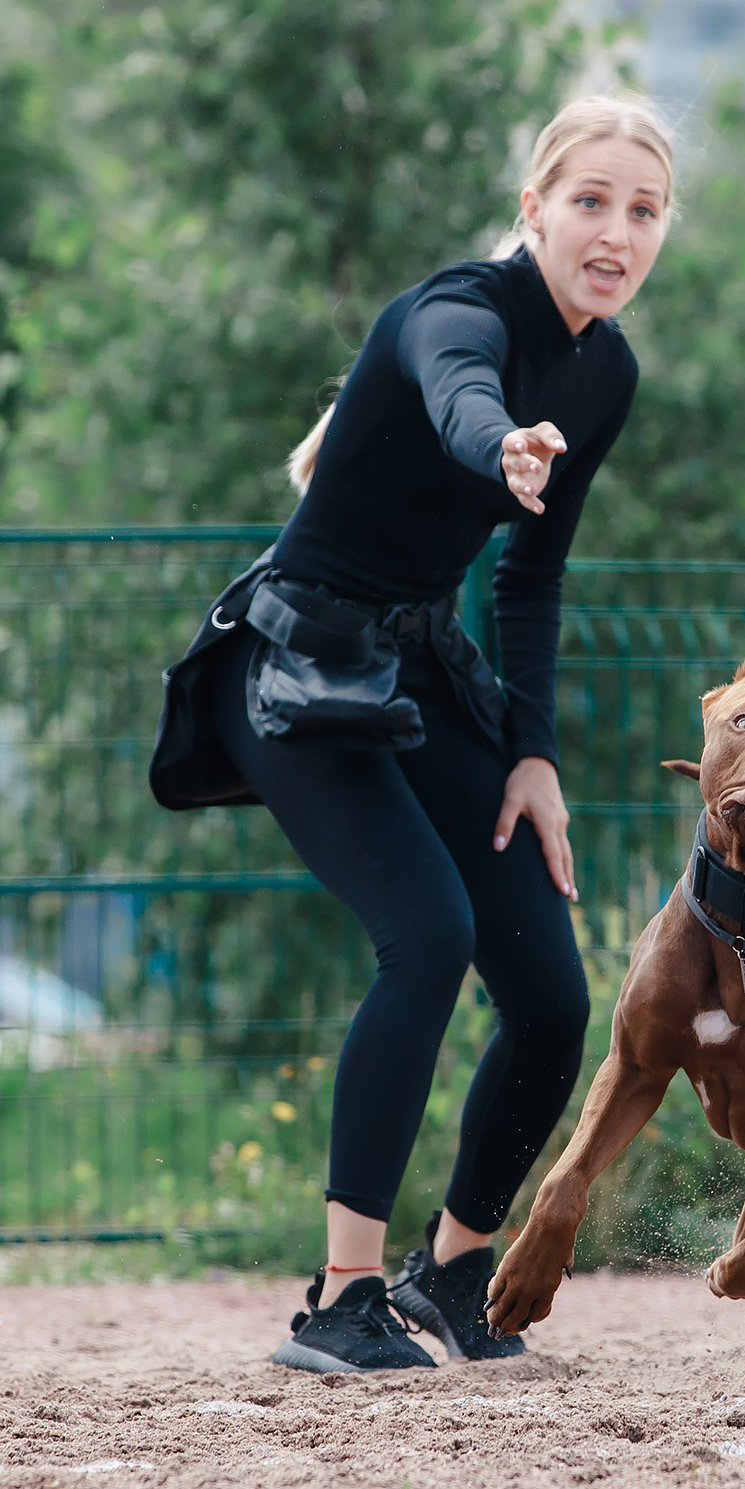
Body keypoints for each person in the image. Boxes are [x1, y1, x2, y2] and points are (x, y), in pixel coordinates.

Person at [149, 95, 675, 1372]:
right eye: (590, 201)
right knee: (428, 937)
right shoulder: (455, 312)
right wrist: (505, 442)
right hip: (294, 666)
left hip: (417, 667)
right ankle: (340, 1298)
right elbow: (457, 391)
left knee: (552, 998)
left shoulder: (604, 370)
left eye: (644, 210)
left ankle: (453, 1272)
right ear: (532, 210)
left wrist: (534, 756)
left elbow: (528, 584)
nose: (615, 231)